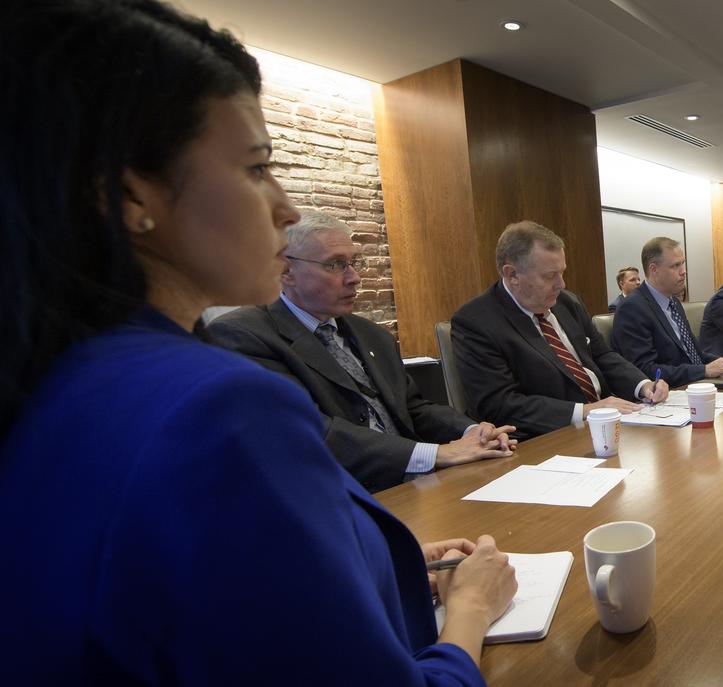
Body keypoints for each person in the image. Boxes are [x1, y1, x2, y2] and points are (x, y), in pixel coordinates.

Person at [0, 1, 515, 683]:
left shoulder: (60, 377)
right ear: (131, 197)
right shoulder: (216, 407)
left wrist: (366, 562)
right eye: (255, 166)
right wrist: (471, 610)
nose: (286, 206)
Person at [209, 210, 515, 493]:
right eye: (335, 264)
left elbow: (413, 409)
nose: (354, 277)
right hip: (344, 499)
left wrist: (473, 432)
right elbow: (312, 433)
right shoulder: (244, 335)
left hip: (418, 486)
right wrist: (436, 453)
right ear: (286, 270)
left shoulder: (373, 335)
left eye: (355, 262)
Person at [451, 221, 668, 440]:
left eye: (562, 273)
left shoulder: (566, 303)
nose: (561, 284)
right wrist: (583, 412)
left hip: (607, 425)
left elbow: (602, 356)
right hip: (546, 440)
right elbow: (499, 405)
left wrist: (642, 385)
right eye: (549, 276)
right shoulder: (476, 322)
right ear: (512, 274)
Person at [612, 237, 723, 387]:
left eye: (683, 263)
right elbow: (644, 370)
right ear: (654, 269)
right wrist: (704, 370)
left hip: (694, 386)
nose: (683, 272)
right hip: (666, 396)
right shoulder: (632, 308)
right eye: (676, 266)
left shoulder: (673, 303)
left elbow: (694, 356)